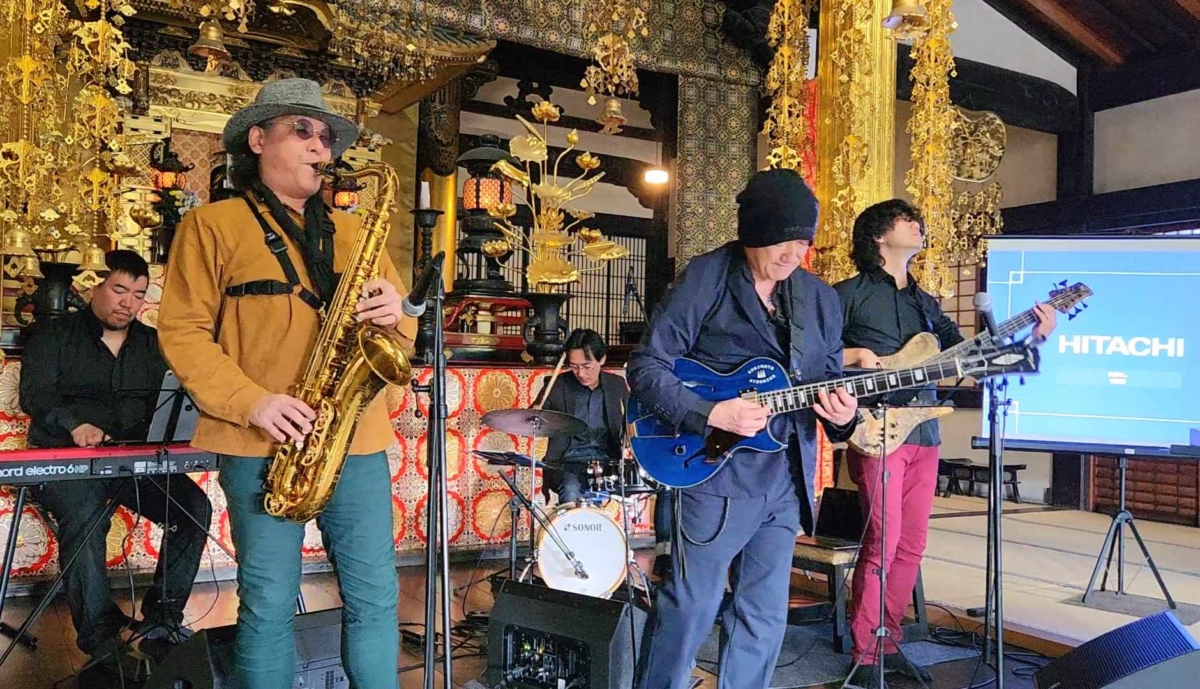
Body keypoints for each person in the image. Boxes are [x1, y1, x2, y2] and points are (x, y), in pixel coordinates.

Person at [157, 78, 415, 689]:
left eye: (325, 136)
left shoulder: (356, 234)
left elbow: (399, 343)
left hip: (355, 440)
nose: (320, 146)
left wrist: (397, 313)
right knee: (268, 603)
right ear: (257, 140)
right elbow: (183, 331)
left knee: (376, 598)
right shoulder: (212, 225)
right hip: (261, 440)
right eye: (302, 131)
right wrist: (252, 402)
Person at [628, 169, 860, 689]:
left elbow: (829, 382)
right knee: (690, 607)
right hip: (714, 473)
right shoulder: (706, 278)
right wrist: (710, 413)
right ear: (753, 232)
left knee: (764, 615)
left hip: (786, 478)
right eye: (783, 240)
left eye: (804, 243)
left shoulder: (819, 299)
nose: (793, 254)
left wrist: (844, 415)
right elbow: (646, 368)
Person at [833, 199, 1056, 685]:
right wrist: (854, 352)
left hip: (925, 431)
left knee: (912, 544)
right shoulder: (845, 295)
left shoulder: (926, 303)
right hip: (877, 429)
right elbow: (813, 355)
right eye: (906, 220)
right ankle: (865, 653)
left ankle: (889, 642)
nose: (918, 225)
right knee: (883, 541)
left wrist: (1034, 337)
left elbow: (974, 356)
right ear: (878, 235)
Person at [18, 250, 213, 674]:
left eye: (138, 295)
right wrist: (75, 425)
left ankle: (162, 620)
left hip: (129, 462)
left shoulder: (152, 344)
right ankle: (100, 637)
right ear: (95, 287)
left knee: (194, 509)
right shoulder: (55, 335)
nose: (128, 302)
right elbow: (35, 394)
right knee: (87, 515)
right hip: (64, 461)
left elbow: (172, 398)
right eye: (119, 289)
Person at [539, 329, 628, 504]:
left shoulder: (616, 385)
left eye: (587, 366)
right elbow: (536, 417)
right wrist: (536, 410)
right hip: (568, 461)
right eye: (574, 366)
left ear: (602, 359)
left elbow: (631, 422)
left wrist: (629, 444)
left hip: (607, 459)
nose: (580, 373)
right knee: (571, 491)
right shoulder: (558, 384)